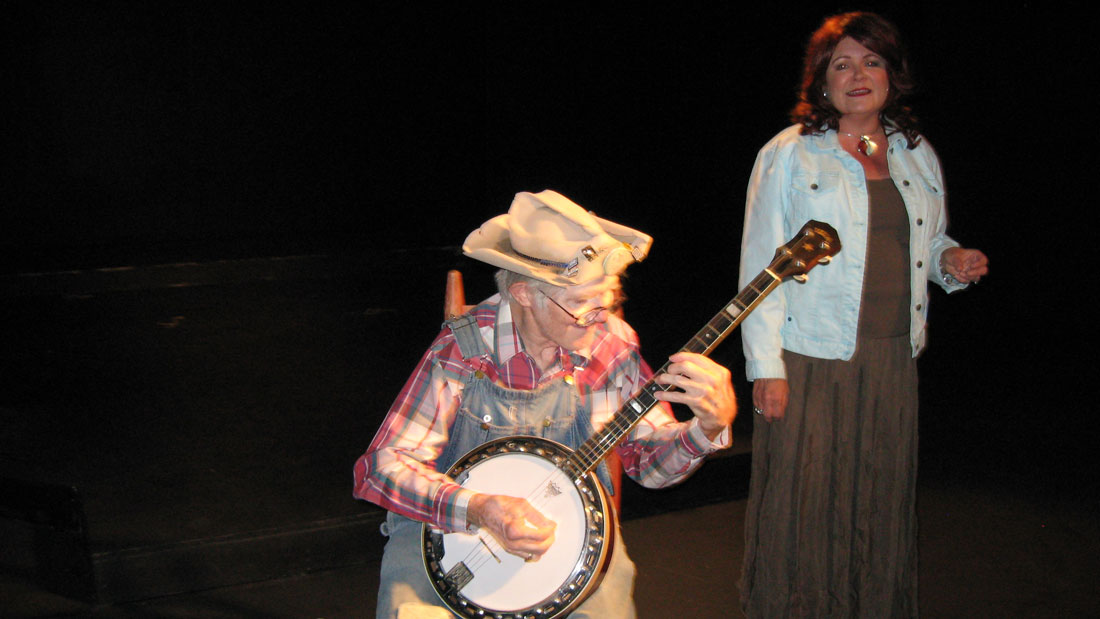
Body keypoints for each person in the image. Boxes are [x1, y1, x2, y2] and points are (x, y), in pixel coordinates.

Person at [354, 189, 737, 618]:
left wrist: (705, 429)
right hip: (448, 532)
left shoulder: (612, 346)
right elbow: (381, 468)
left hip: (572, 535)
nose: (601, 313)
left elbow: (647, 465)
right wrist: (477, 507)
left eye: (609, 296)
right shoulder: (464, 350)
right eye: (580, 302)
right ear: (524, 295)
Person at [736, 12, 989, 618]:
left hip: (891, 357)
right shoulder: (789, 154)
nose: (857, 75)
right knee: (804, 508)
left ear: (892, 75)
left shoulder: (914, 152)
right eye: (840, 63)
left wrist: (950, 260)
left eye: (871, 61)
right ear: (821, 80)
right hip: (809, 359)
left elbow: (923, 243)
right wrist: (764, 365)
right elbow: (759, 267)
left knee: (879, 505)